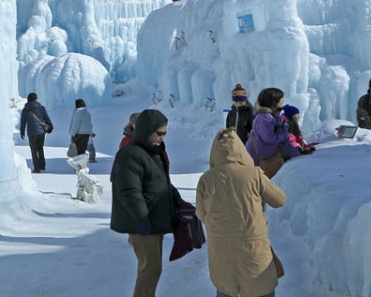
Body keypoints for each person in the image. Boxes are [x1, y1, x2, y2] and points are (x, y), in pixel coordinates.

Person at [197, 128, 287, 297]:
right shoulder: (254, 174)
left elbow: (202, 215)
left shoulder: (206, 179)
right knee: (261, 288)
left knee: (226, 288)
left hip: (222, 253)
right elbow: (279, 200)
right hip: (254, 251)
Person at [110, 109, 178, 297]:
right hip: (143, 221)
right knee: (151, 268)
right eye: (159, 133)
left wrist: (177, 200)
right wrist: (142, 218)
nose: (162, 138)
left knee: (150, 269)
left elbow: (160, 182)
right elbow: (129, 191)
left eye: (165, 134)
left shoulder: (152, 152)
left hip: (154, 218)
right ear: (146, 130)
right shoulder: (130, 154)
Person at [246, 88, 300, 179]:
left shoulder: (274, 115)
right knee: (256, 178)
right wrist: (284, 134)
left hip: (265, 154)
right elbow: (269, 138)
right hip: (256, 155)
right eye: (281, 100)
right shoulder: (263, 117)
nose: (283, 101)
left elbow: (283, 138)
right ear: (273, 102)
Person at [19, 93, 53, 173]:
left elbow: (23, 122)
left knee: (34, 150)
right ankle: (42, 165)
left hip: (31, 132)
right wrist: (50, 126)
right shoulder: (41, 108)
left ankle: (36, 167)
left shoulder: (25, 110)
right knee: (40, 148)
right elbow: (46, 118)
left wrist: (22, 131)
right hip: (41, 132)